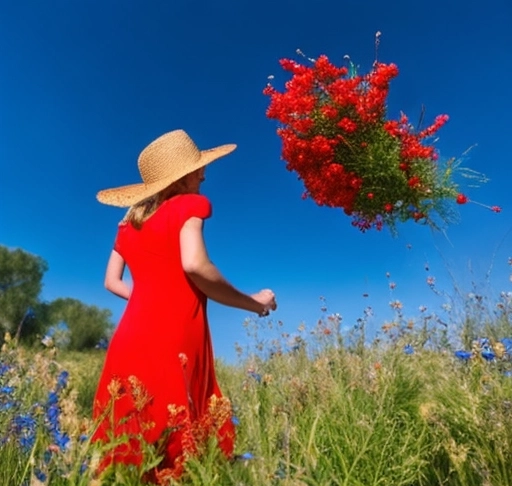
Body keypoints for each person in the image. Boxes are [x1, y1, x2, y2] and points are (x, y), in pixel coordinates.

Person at [92, 129, 277, 482]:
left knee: (131, 425)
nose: (204, 175)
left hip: (130, 333)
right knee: (182, 423)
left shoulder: (126, 226)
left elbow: (111, 282)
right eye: (199, 169)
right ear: (184, 176)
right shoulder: (191, 205)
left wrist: (150, 298)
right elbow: (194, 265)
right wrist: (254, 303)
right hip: (175, 331)